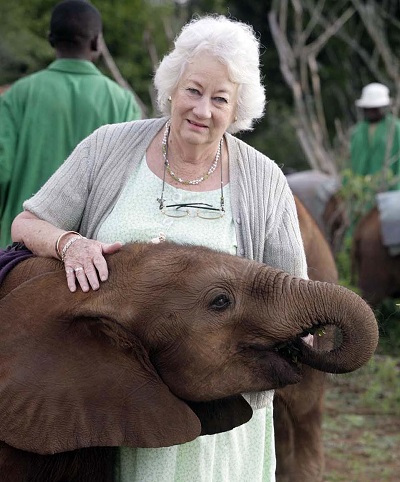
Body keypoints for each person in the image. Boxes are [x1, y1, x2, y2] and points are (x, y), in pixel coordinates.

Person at [10, 15, 308, 482]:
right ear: (172, 86)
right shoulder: (108, 147)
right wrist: (70, 244)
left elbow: (295, 299)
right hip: (123, 403)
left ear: (238, 110)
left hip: (224, 420)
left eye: (220, 99)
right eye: (193, 90)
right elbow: (27, 222)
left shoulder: (264, 180)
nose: (202, 110)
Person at [0, 0, 141, 248]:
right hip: (91, 259)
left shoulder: (17, 96)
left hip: (18, 252)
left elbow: (2, 170)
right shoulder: (121, 102)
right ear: (97, 42)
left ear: (51, 39)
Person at [351, 82, 400, 190]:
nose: (371, 112)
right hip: (361, 194)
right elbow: (351, 163)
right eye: (368, 108)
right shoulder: (357, 131)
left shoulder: (395, 128)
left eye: (375, 108)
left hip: (388, 193)